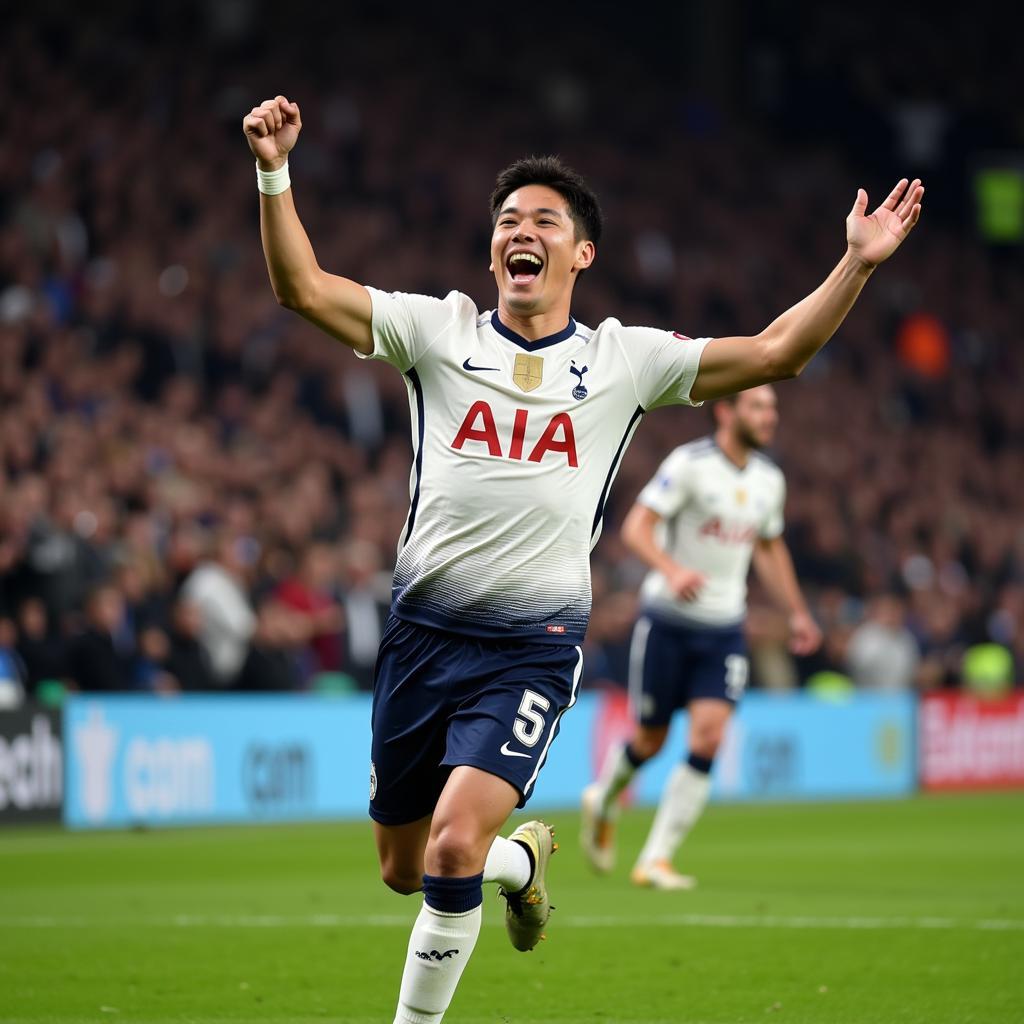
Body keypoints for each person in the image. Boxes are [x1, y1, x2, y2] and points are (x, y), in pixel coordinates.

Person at [243, 93, 923, 1024]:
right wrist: (274, 172)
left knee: (446, 852)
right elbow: (302, 288)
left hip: (531, 646)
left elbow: (776, 353)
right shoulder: (436, 332)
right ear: (493, 251)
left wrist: (854, 262)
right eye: (508, 222)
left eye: (545, 222)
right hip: (420, 638)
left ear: (581, 254)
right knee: (404, 870)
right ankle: (520, 861)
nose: (522, 233)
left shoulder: (624, 361)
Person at [579, 385, 822, 889]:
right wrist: (671, 569)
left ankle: (655, 859)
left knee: (710, 733)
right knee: (651, 738)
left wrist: (797, 611)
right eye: (758, 406)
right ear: (727, 411)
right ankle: (602, 799)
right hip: (667, 622)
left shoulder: (768, 481)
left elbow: (770, 549)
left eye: (773, 408)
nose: (769, 417)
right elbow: (636, 527)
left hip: (724, 629)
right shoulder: (689, 465)